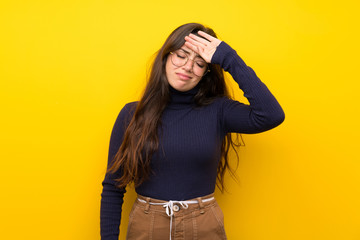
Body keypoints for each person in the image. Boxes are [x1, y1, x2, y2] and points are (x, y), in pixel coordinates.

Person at [100, 23, 285, 240]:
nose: (188, 67)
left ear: (206, 72)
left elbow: (271, 115)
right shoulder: (131, 114)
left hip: (203, 225)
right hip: (146, 226)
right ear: (166, 57)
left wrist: (229, 59)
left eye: (199, 63)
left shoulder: (218, 110)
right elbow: (113, 187)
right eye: (181, 55)